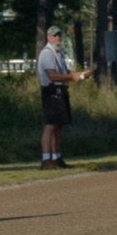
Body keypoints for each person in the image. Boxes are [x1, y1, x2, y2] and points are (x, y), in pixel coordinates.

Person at [37, 26, 85, 167]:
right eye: (54, 35)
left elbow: (63, 71)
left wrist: (80, 74)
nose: (57, 38)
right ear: (48, 37)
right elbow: (52, 75)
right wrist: (72, 77)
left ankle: (56, 157)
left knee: (58, 126)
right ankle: (46, 159)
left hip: (60, 90)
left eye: (58, 35)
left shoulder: (58, 53)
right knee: (50, 125)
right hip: (51, 91)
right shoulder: (47, 53)